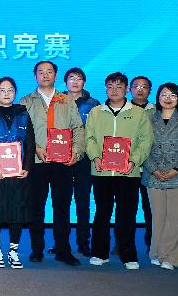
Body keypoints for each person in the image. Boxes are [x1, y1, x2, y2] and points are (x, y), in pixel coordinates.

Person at [86, 72, 154, 270]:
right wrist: (95, 157)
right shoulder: (96, 112)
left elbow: (146, 140)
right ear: (105, 89)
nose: (114, 90)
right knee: (102, 213)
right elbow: (89, 138)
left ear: (126, 89)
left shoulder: (139, 113)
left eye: (119, 87)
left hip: (128, 173)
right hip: (101, 172)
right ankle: (99, 253)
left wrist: (134, 160)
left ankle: (128, 255)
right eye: (110, 87)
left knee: (127, 214)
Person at [20, 61, 85, 266]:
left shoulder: (67, 100)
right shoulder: (26, 101)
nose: (45, 75)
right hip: (36, 162)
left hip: (63, 162)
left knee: (62, 207)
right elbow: (21, 132)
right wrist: (36, 148)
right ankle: (37, 250)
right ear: (35, 76)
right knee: (36, 207)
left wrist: (76, 153)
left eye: (49, 72)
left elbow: (78, 128)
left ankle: (63, 250)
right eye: (41, 72)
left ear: (56, 75)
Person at [0, 77, 36, 269]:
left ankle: (13, 251)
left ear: (15, 93)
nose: (6, 93)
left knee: (16, 213)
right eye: (2, 90)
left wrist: (27, 167)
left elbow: (30, 143)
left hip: (18, 174)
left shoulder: (23, 113)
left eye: (10, 90)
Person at [142, 83, 178, 270]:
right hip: (154, 174)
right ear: (157, 97)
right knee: (158, 216)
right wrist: (153, 169)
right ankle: (155, 253)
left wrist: (176, 169)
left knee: (175, 217)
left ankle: (170, 257)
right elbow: (142, 146)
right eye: (164, 94)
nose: (168, 98)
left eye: (172, 95)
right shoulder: (148, 119)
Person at [63, 67, 100, 257]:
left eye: (79, 78)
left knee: (83, 202)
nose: (75, 82)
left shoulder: (94, 104)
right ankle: (61, 243)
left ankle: (83, 243)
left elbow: (97, 132)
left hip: (84, 160)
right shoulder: (57, 101)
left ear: (84, 82)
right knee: (62, 203)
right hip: (61, 159)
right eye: (71, 78)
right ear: (65, 82)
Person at [129, 75, 156, 252]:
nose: (140, 89)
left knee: (150, 208)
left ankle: (152, 243)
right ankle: (122, 243)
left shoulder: (157, 111)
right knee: (126, 208)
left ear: (150, 91)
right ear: (129, 89)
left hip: (150, 167)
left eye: (144, 86)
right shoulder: (122, 109)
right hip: (127, 166)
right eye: (136, 86)